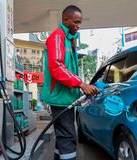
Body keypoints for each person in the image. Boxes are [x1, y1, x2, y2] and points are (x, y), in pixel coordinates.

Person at [41, 5, 100, 160]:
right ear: (66, 19)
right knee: (68, 138)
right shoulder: (57, 37)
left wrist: (82, 88)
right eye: (76, 22)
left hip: (66, 97)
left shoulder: (69, 40)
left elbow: (70, 70)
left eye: (80, 22)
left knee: (63, 138)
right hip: (60, 98)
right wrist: (82, 85)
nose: (78, 26)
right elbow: (57, 67)